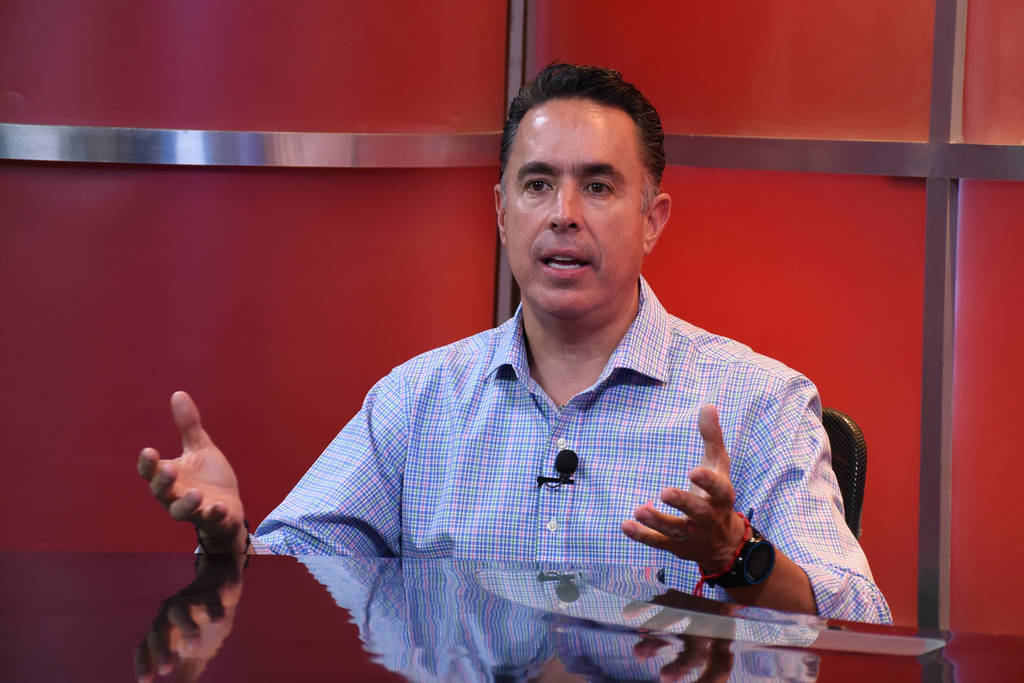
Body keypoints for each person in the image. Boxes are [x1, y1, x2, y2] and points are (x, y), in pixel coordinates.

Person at [139, 64, 891, 624]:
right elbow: (298, 578)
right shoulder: (419, 398)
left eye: (598, 186)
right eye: (537, 185)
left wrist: (736, 555)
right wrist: (231, 547)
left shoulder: (758, 401)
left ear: (653, 219)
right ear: (502, 213)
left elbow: (862, 620)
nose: (563, 214)